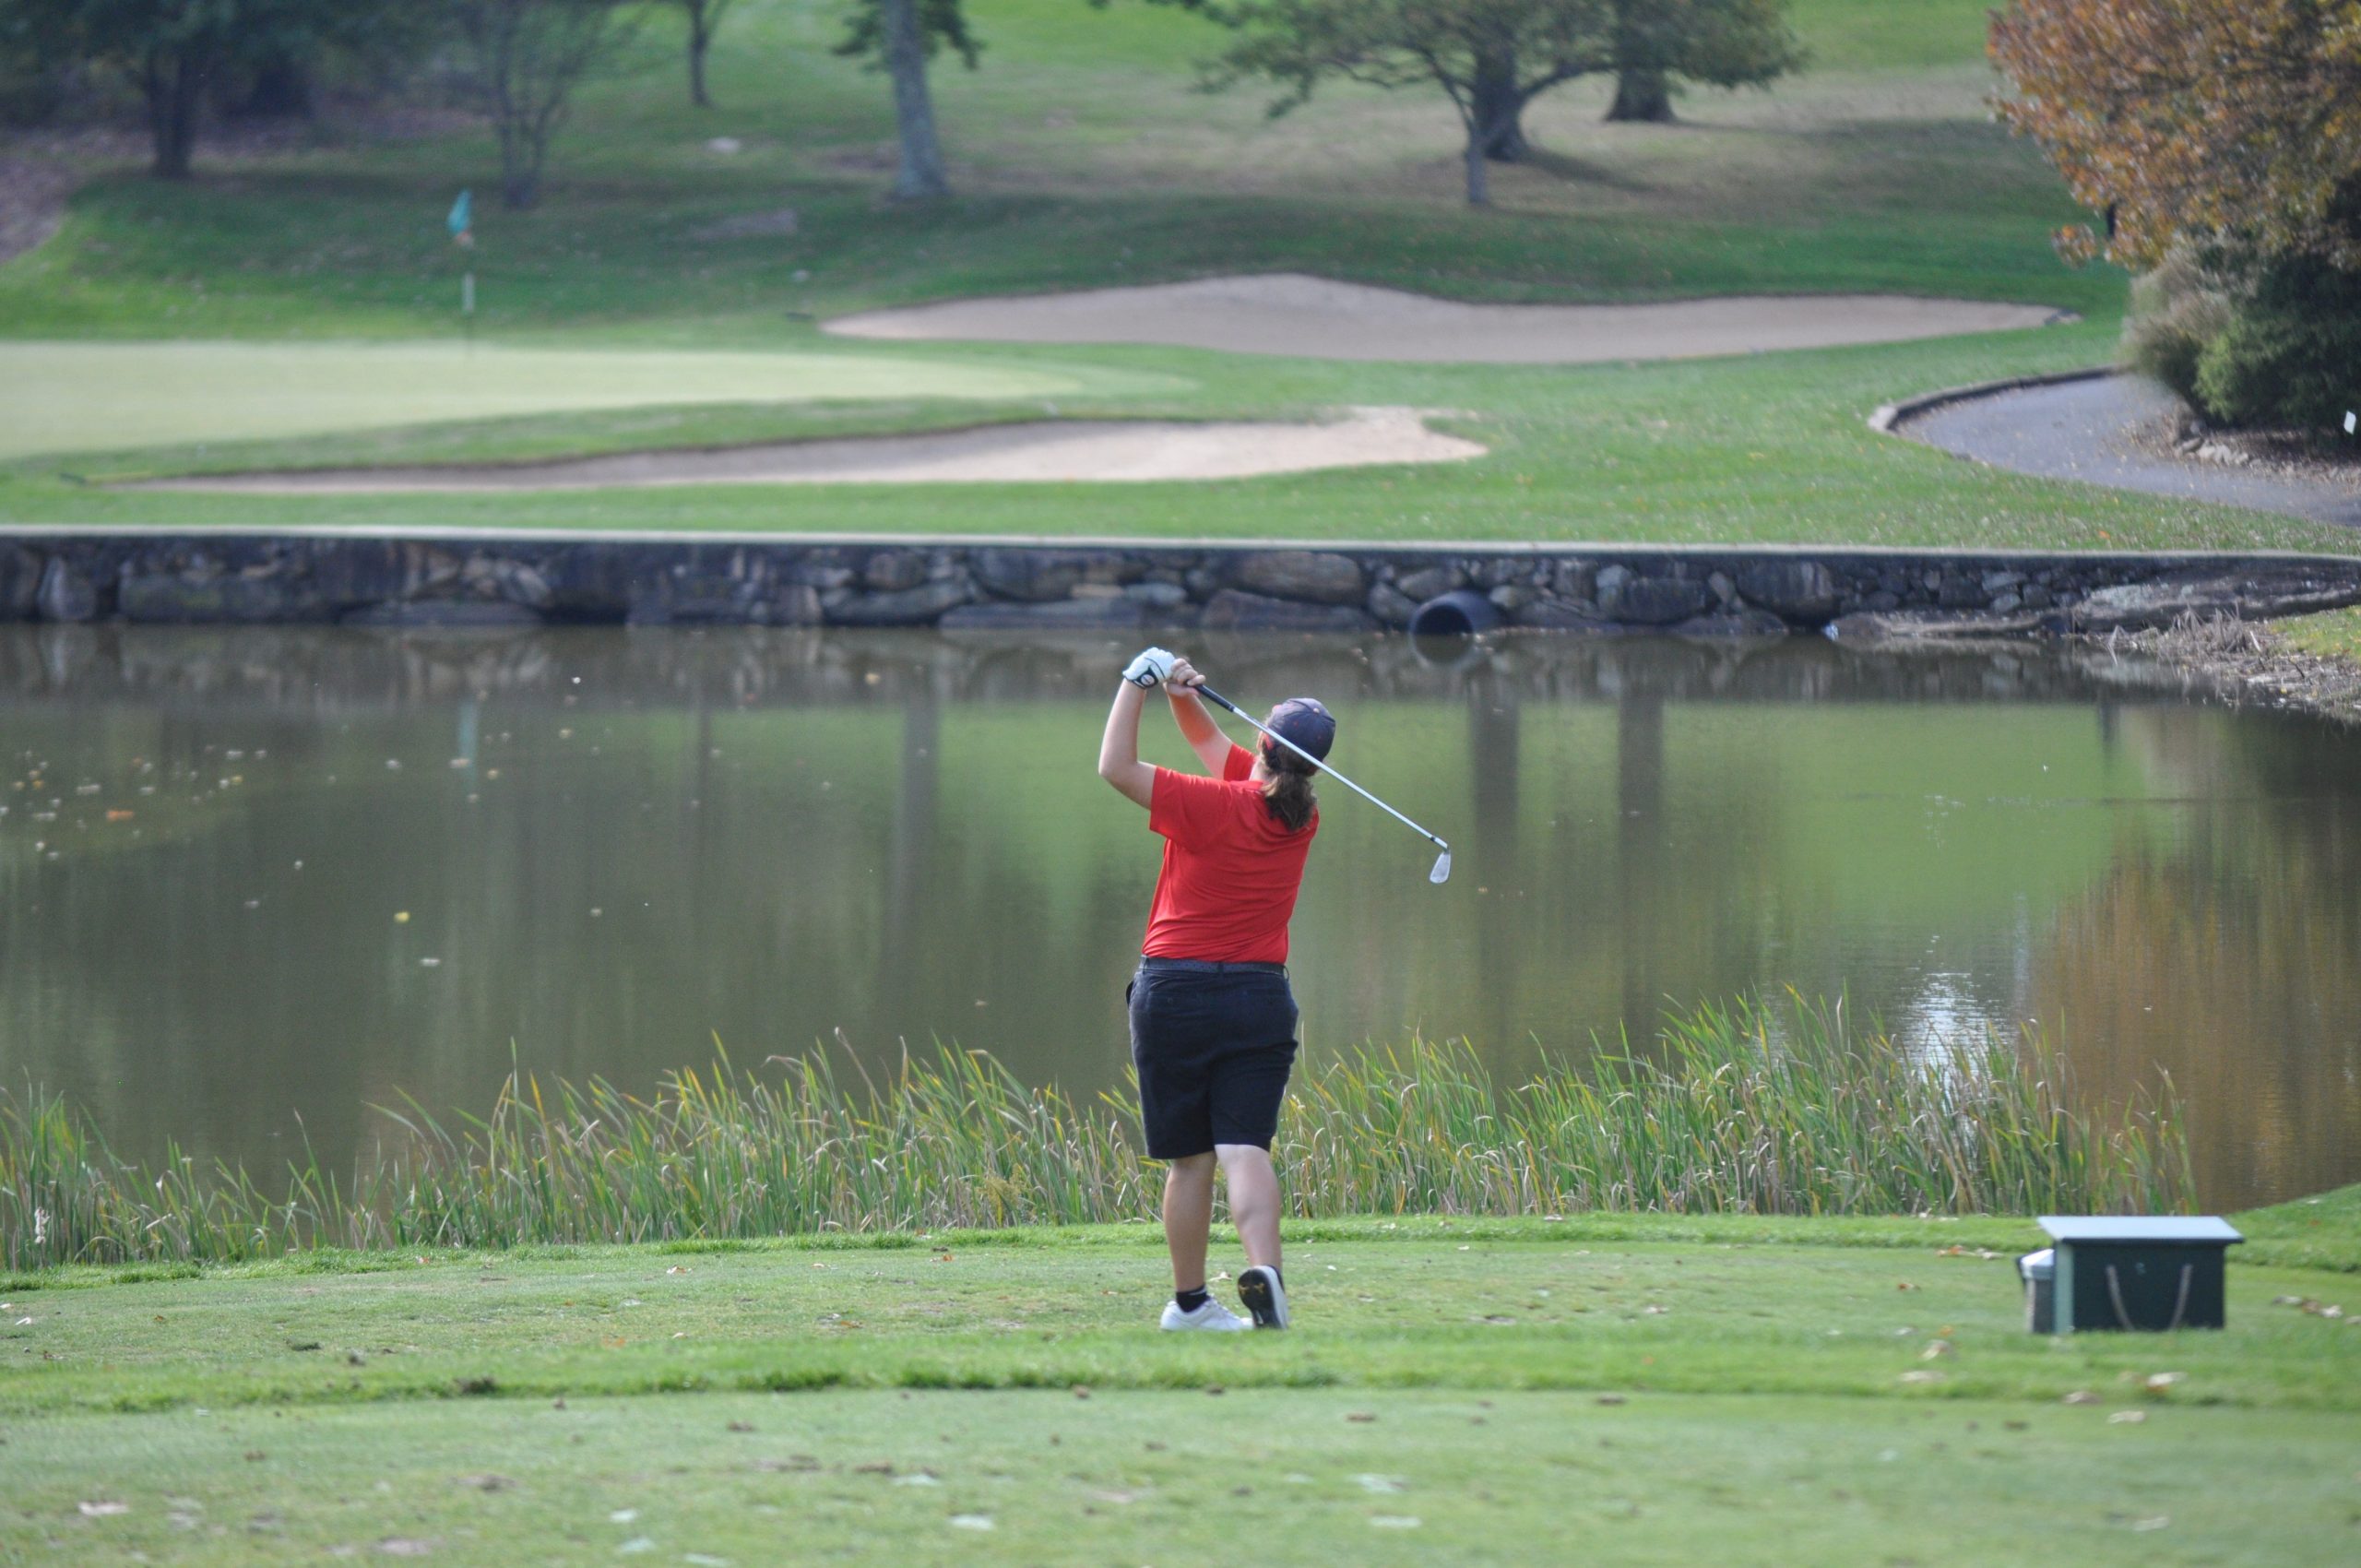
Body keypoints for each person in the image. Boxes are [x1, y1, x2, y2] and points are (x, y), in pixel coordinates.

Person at [1096, 645, 1334, 1332]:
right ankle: (1268, 1273)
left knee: (1191, 1161)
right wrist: (1181, 696)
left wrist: (1133, 684)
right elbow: (1213, 747)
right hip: (1259, 998)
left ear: (1262, 742)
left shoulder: (1208, 805)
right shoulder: (1301, 815)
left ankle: (1192, 1303)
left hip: (1176, 993)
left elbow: (1115, 767)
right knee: (1243, 1148)